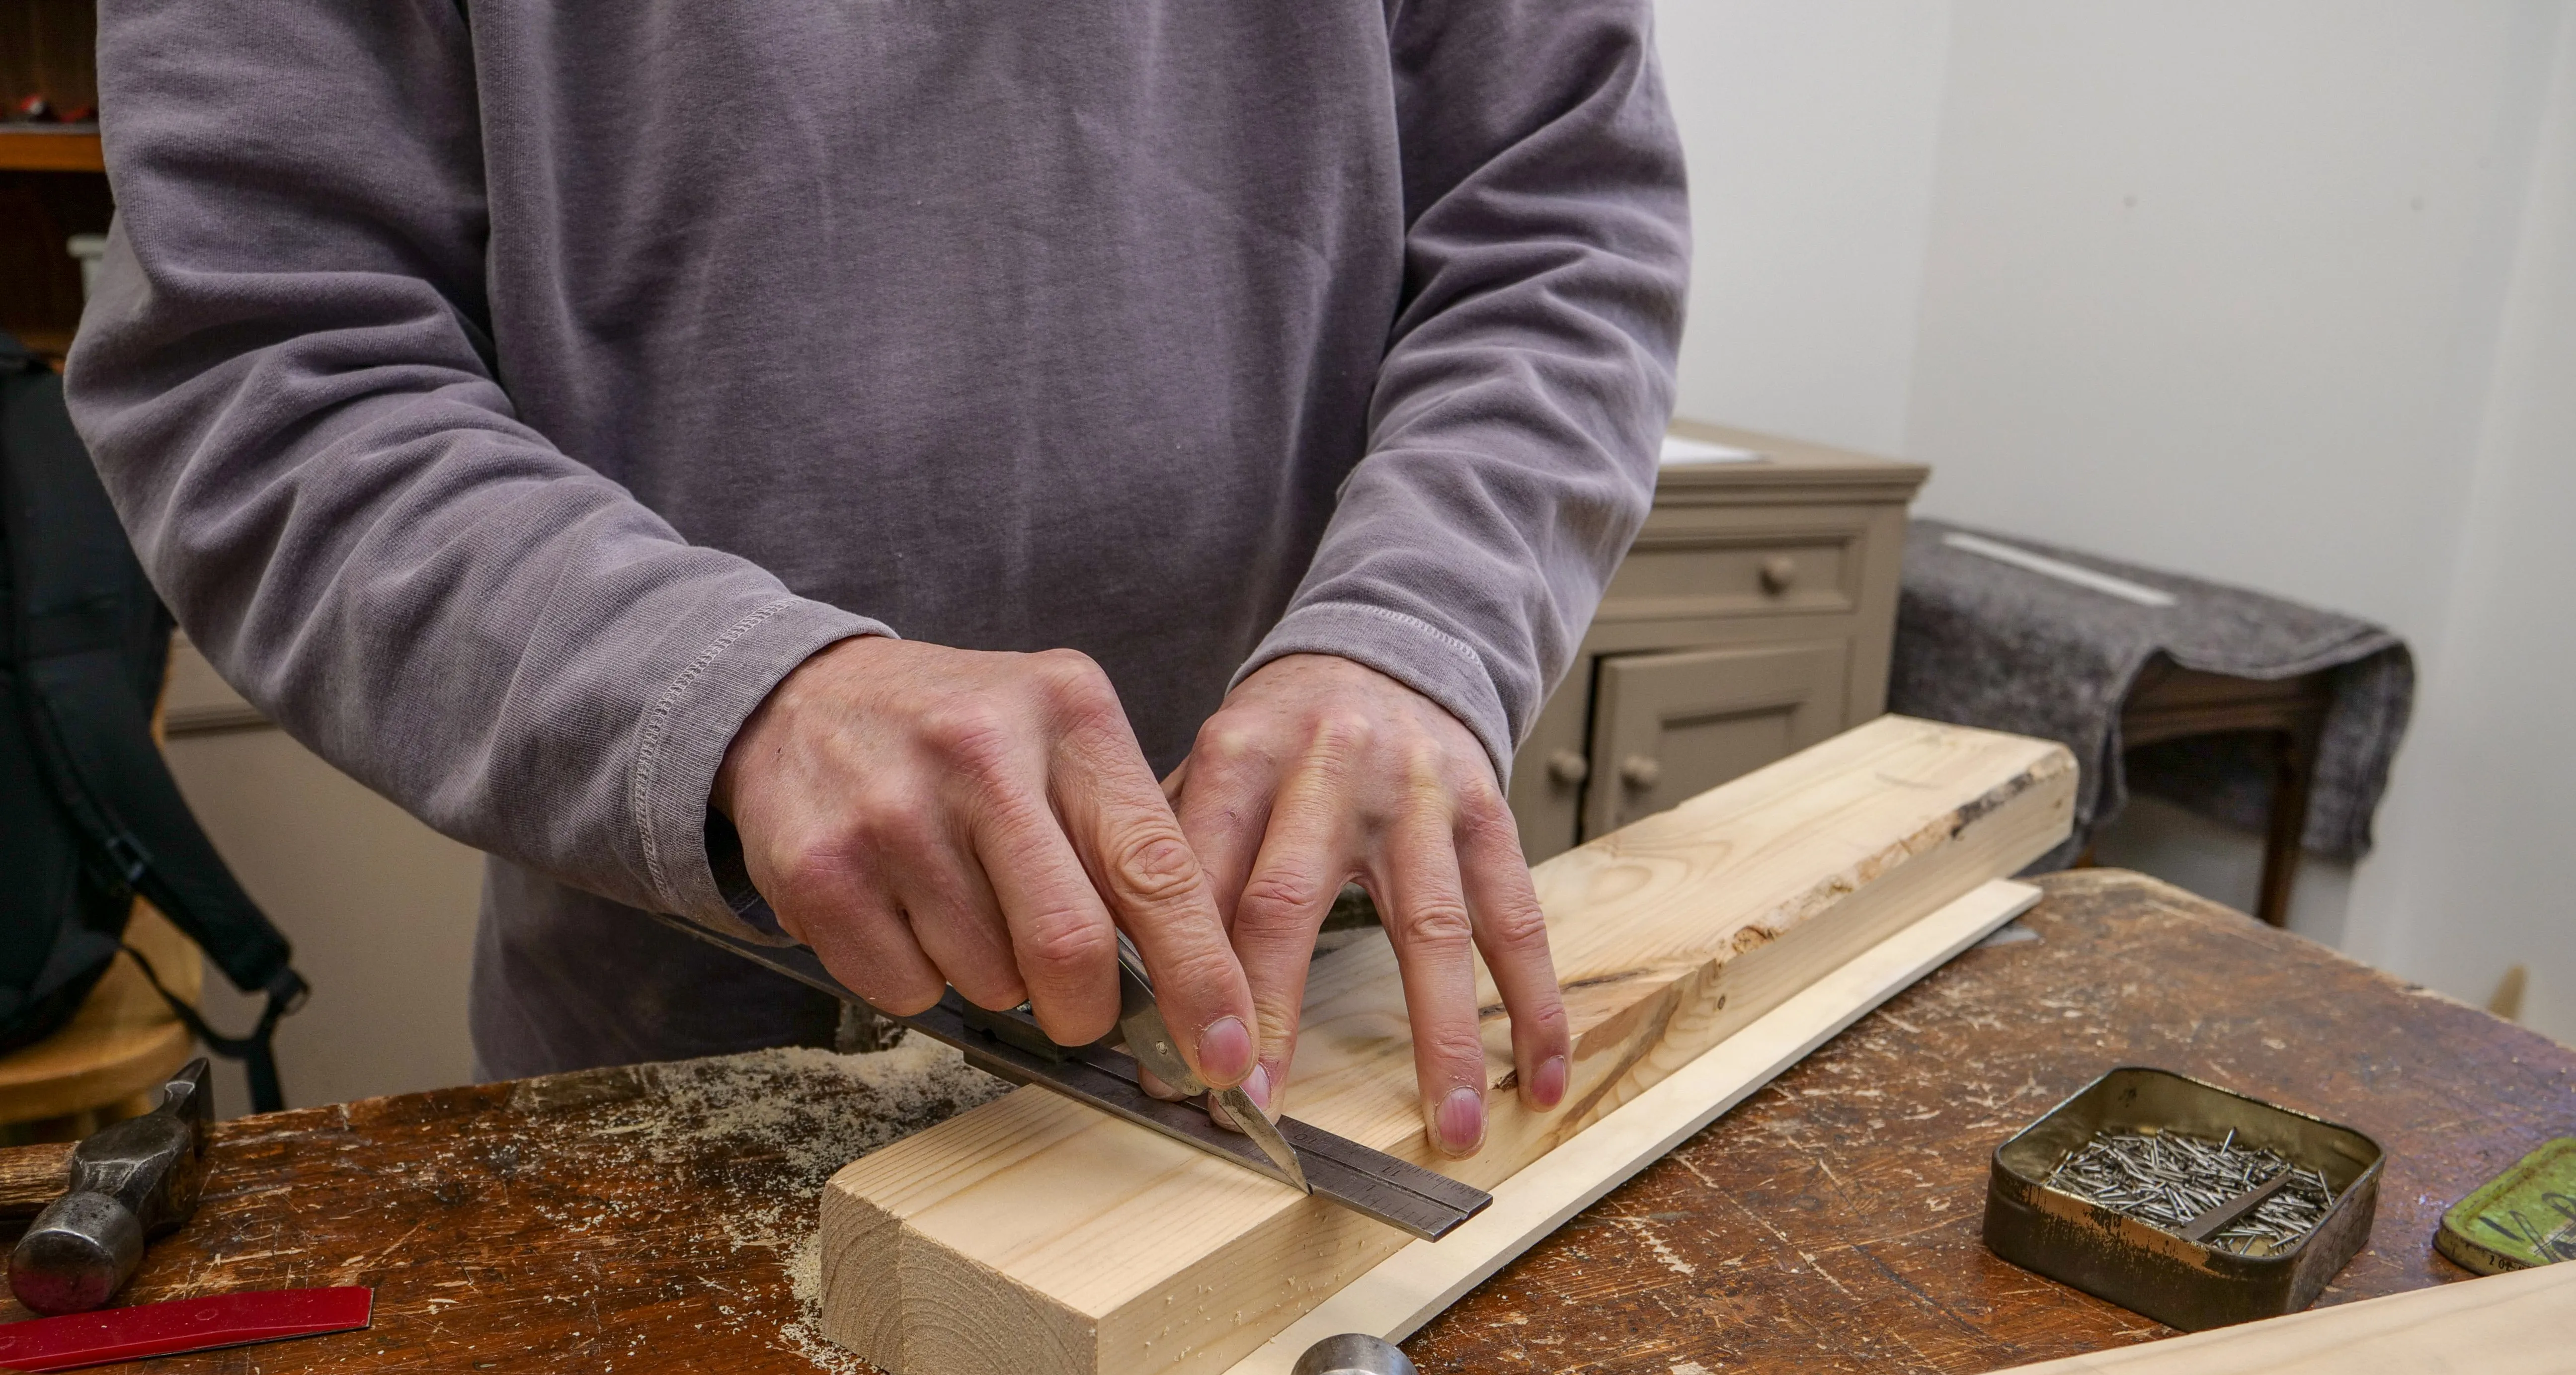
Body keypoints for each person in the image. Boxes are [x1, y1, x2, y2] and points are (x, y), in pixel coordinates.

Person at [67, 0, 1688, 1157]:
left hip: (1291, 1002)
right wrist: (729, 701)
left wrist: (1411, 630)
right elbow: (267, 367)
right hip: (689, 1046)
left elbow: (1559, 224)